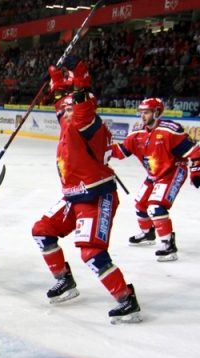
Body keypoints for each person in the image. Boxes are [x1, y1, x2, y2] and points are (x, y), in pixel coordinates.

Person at [32, 57, 141, 324]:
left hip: (96, 196)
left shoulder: (88, 123)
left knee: (91, 251)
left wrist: (80, 84)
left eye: (70, 109)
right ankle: (64, 280)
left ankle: (127, 299)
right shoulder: (71, 124)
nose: (64, 114)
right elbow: (64, 107)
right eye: (65, 110)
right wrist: (58, 86)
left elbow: (80, 108)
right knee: (42, 231)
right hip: (74, 196)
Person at [110, 97, 200, 261]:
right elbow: (121, 151)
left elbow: (195, 151)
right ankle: (147, 234)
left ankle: (168, 245)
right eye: (142, 112)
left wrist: (196, 171)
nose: (143, 116)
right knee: (141, 203)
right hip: (154, 174)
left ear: (157, 112)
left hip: (173, 171)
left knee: (156, 207)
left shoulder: (170, 130)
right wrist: (100, 150)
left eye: (147, 112)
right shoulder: (137, 133)